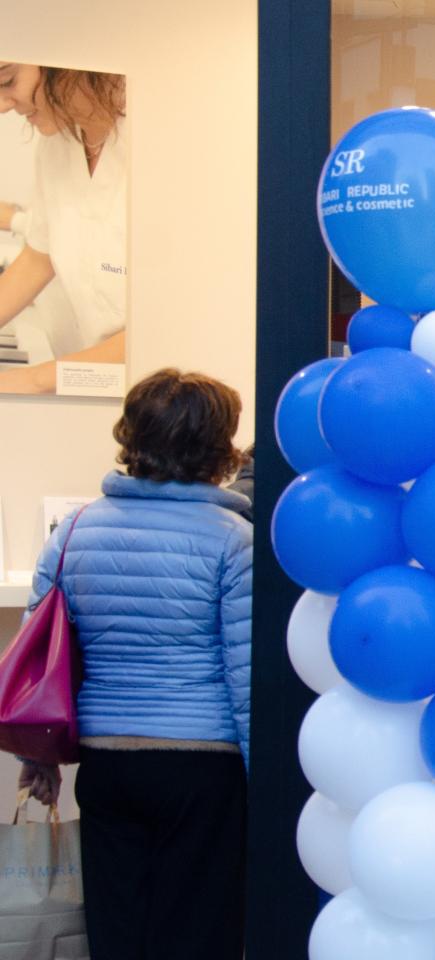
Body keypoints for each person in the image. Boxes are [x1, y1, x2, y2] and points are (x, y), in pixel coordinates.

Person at [20, 369, 250, 958]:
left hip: (108, 763)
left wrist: (37, 756)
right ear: (218, 445)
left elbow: (35, 657)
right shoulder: (232, 539)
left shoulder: (73, 530)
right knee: (198, 933)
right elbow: (244, 674)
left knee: (116, 930)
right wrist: (263, 777)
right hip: (203, 769)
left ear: (132, 434)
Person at [0, 63, 128, 394]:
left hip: (178, 406)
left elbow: (168, 324)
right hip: (106, 391)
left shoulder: (158, 139)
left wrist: (30, 380)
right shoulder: (58, 146)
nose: (3, 105)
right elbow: (37, 258)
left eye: (8, 81)